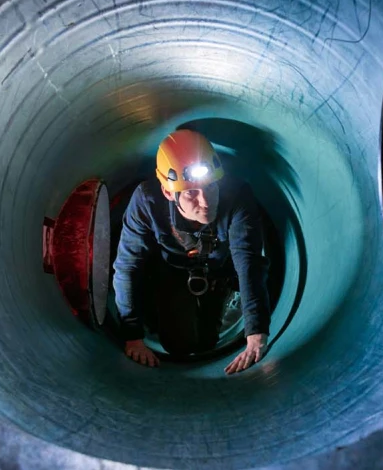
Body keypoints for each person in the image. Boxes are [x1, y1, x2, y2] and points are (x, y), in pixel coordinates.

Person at [112, 129, 271, 374]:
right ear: (168, 192)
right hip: (171, 270)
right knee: (178, 346)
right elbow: (127, 265)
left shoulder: (237, 196)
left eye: (210, 188)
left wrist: (256, 330)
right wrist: (132, 335)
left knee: (208, 342)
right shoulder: (147, 201)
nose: (206, 202)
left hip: (218, 271)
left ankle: (225, 297)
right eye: (191, 193)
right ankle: (157, 309)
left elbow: (248, 260)